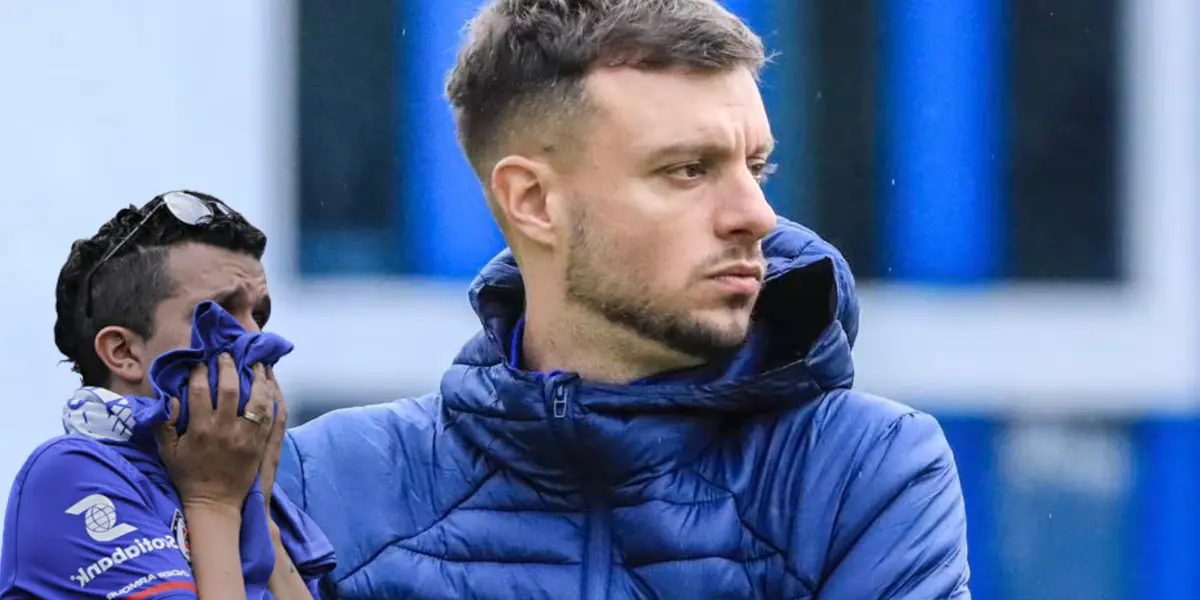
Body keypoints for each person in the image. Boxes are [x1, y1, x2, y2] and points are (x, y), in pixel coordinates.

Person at [279, 0, 971, 597]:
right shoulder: (330, 486)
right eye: (688, 170)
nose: (756, 214)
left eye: (757, 168)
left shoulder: (862, 472)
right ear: (534, 201)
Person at [0, 191, 334, 599]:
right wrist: (213, 500)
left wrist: (260, 516)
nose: (257, 339)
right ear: (123, 353)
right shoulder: (72, 474)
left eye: (259, 316)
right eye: (221, 313)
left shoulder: (243, 484)